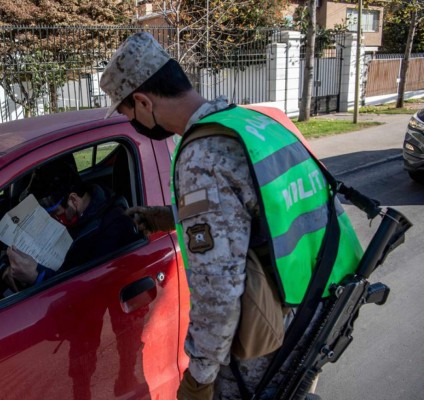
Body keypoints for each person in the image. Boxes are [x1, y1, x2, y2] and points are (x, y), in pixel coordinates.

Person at [99, 32, 363, 400]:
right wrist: (173, 217)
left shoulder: (202, 156)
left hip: (270, 342)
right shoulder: (251, 125)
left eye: (127, 113)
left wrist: (200, 376)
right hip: (318, 307)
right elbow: (263, 210)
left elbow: (218, 290)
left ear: (143, 101)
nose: (132, 122)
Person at [1, 158, 141, 290]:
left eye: (55, 212)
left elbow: (89, 288)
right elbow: (16, 240)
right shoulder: (74, 213)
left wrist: (38, 277)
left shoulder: (113, 227)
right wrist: (7, 264)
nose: (51, 219)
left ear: (73, 200)